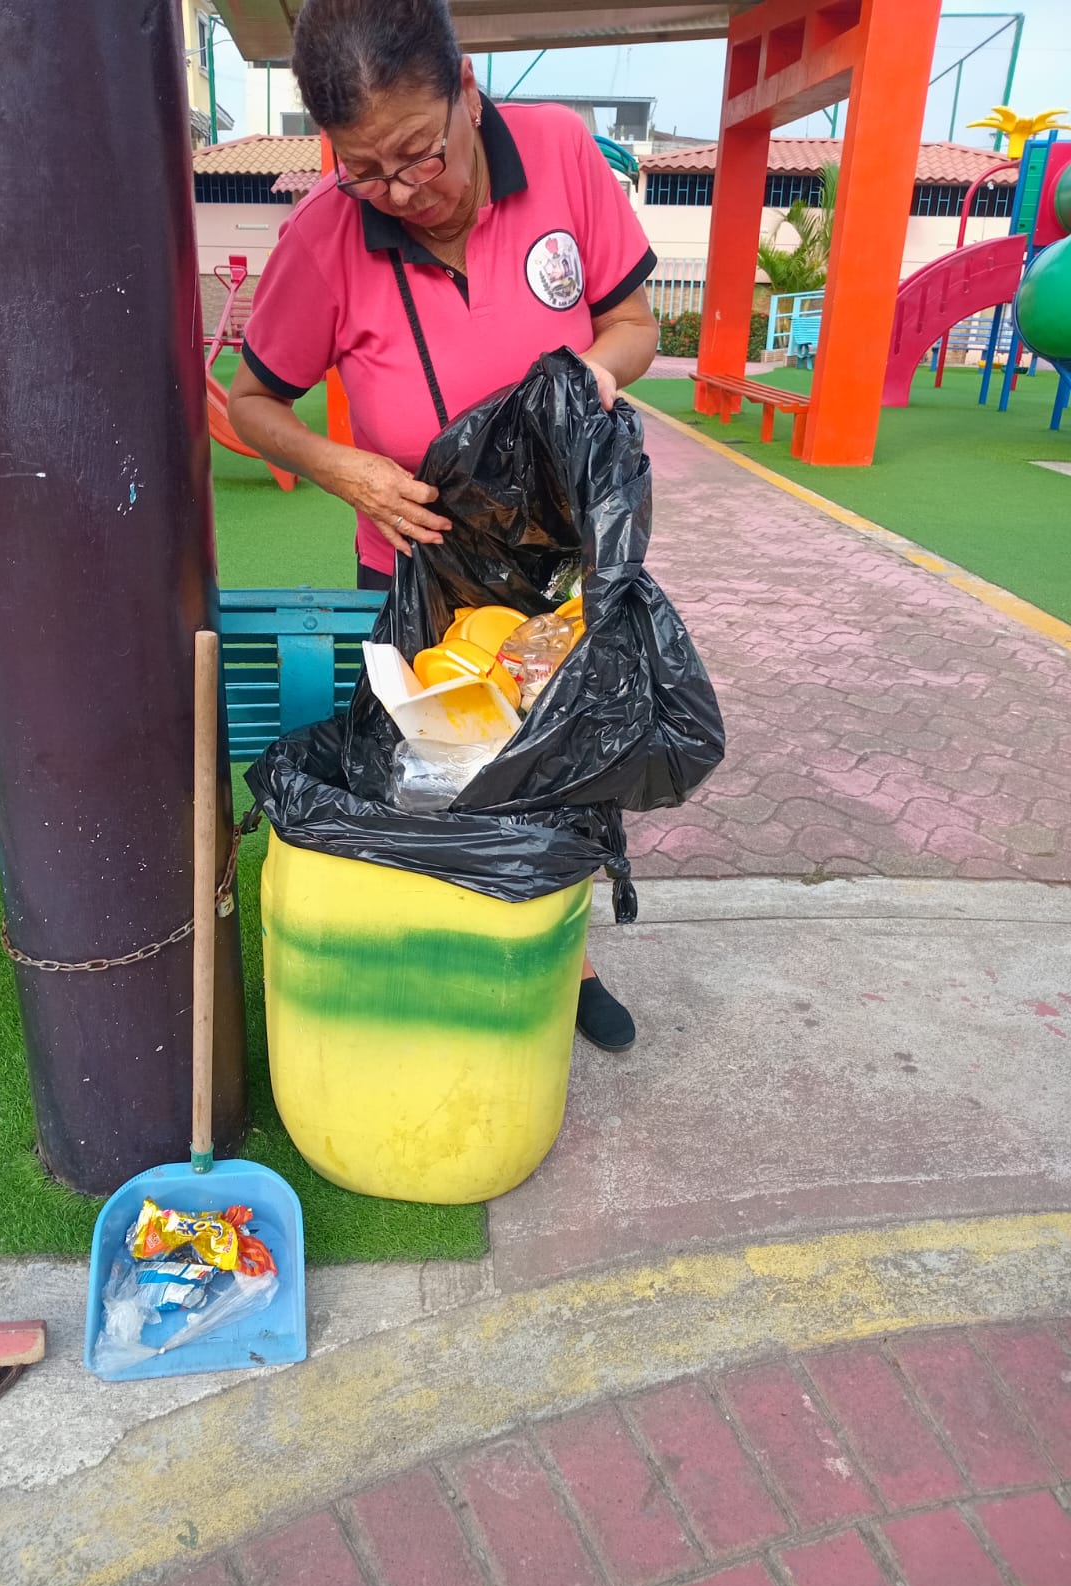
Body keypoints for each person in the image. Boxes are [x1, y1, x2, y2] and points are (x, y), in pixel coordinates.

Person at [229, 0, 659, 1052]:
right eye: (365, 170)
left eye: (421, 152)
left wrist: (586, 382)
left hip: (559, 567)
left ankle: (564, 951)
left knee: (559, 766)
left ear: (468, 92)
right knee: (440, 771)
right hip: (414, 569)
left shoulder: (560, 153)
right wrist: (347, 472)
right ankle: (454, 951)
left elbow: (633, 323)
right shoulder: (326, 234)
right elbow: (252, 402)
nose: (403, 191)